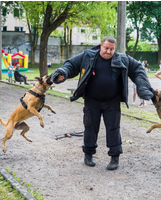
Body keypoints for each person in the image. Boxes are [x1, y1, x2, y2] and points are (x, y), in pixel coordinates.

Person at [51, 36, 153, 170]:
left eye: (111, 49)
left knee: (113, 128)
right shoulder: (88, 56)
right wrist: (63, 72)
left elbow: (138, 70)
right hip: (92, 100)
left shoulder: (122, 59)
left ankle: (114, 158)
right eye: (106, 48)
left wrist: (143, 87)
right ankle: (88, 155)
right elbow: (71, 65)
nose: (108, 52)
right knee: (90, 127)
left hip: (112, 101)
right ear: (101, 46)